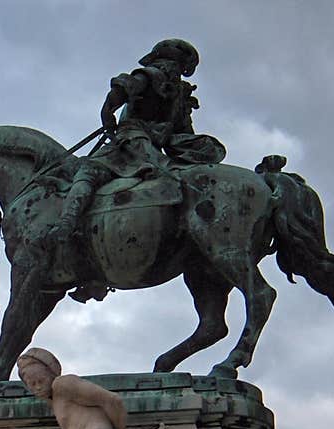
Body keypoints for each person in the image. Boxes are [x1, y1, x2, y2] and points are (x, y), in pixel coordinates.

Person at [49, 39, 226, 302]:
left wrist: (108, 119)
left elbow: (115, 98)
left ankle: (66, 225)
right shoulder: (179, 95)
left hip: (129, 144)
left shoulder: (150, 76)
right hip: (155, 147)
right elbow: (184, 133)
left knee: (87, 171)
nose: (172, 69)